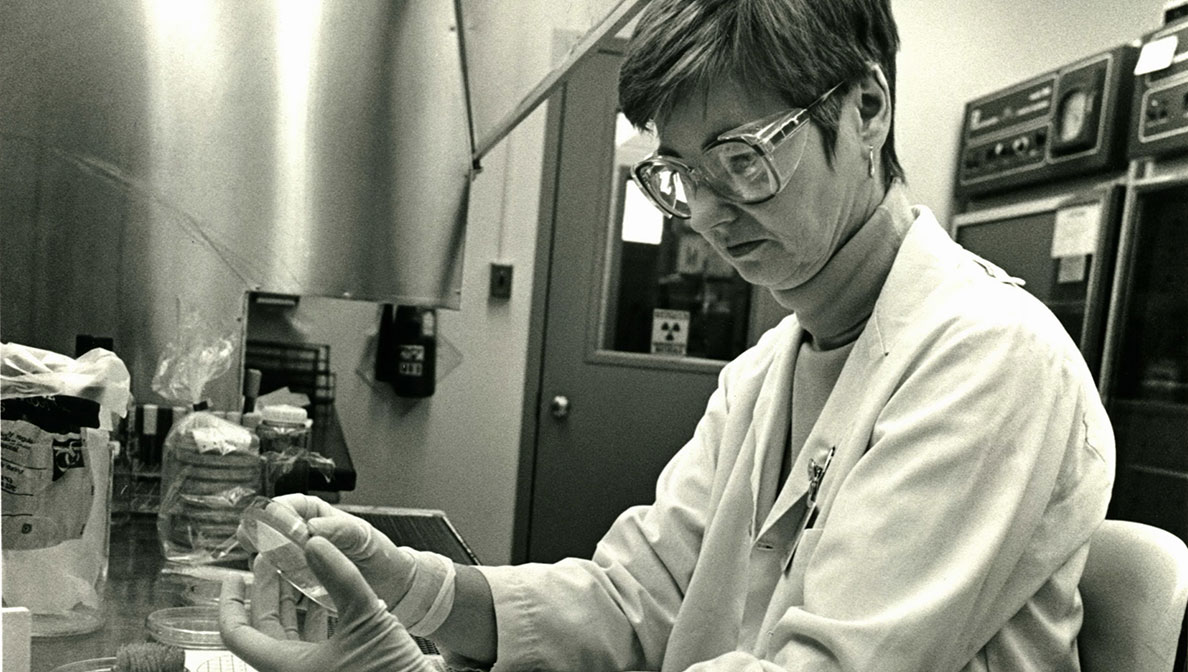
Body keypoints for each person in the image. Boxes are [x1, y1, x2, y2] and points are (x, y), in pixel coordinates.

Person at [220, 0, 1116, 670]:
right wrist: (415, 587)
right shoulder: (770, 368)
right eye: (683, 175)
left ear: (869, 107)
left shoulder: (990, 358)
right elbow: (631, 600)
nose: (712, 215)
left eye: (742, 160)